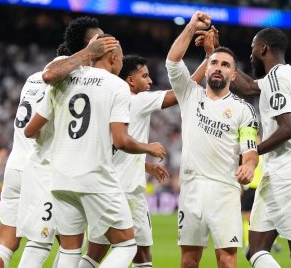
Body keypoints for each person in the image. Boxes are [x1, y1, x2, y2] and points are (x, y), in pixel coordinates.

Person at [78, 29, 219, 268]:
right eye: (144, 76)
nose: (150, 81)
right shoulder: (137, 100)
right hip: (128, 193)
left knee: (95, 253)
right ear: (130, 81)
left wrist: (145, 165)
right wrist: (209, 57)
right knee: (138, 255)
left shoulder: (107, 102)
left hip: (105, 187)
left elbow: (115, 147)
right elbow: (183, 92)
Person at [25, 34, 166, 268]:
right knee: (126, 246)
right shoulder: (117, 86)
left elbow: (30, 130)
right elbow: (120, 141)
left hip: (60, 178)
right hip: (95, 177)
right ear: (113, 58)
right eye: (120, 59)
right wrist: (148, 147)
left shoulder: (64, 79)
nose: (121, 65)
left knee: (70, 251)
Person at [0, 22, 117, 268]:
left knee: (5, 244)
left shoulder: (31, 78)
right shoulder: (65, 74)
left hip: (16, 165)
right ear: (86, 45)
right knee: (52, 243)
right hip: (41, 167)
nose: (104, 42)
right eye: (99, 39)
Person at [166, 11, 259, 268]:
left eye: (225, 65)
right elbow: (173, 62)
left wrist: (249, 165)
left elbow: (249, 148)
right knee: (188, 261)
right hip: (192, 188)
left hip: (225, 191)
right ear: (207, 69)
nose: (218, 67)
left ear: (233, 75)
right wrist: (191, 26)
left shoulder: (244, 110)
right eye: (214, 63)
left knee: (227, 261)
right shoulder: (189, 94)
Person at [230, 27, 291, 268]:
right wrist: (213, 53)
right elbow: (249, 87)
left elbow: (286, 128)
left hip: (286, 174)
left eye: (253, 49)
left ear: (263, 49)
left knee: (255, 250)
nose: (251, 55)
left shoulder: (275, 78)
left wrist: (253, 152)